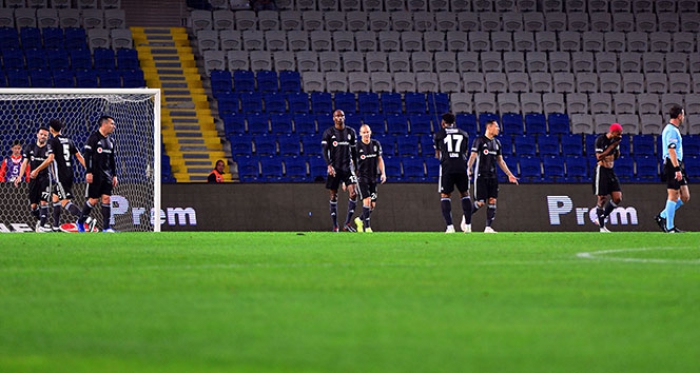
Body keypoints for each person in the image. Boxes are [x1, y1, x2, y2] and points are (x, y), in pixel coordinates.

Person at [466, 119, 519, 233]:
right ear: (489, 127)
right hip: (481, 176)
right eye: (496, 127)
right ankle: (466, 217)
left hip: (493, 176)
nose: (498, 129)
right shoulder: (479, 141)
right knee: (480, 202)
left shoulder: (497, 143)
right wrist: (468, 168)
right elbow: (473, 156)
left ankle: (488, 227)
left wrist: (509, 174)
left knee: (492, 201)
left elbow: (500, 161)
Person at [45, 119, 91, 232]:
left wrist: (37, 169)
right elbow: (79, 157)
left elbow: (50, 159)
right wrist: (89, 169)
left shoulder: (52, 142)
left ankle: (87, 219)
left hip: (61, 176)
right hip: (69, 174)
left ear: (51, 129)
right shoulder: (69, 141)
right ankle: (55, 227)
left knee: (64, 202)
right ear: (61, 128)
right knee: (55, 198)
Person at [77, 116, 118, 233]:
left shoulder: (111, 141)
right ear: (104, 124)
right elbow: (87, 156)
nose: (114, 126)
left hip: (106, 175)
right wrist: (88, 172)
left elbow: (112, 160)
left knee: (107, 198)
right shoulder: (93, 138)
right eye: (112, 124)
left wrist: (114, 175)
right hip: (94, 174)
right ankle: (80, 222)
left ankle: (106, 228)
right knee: (93, 200)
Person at [433, 113, 473, 233]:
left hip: (448, 167)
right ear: (454, 123)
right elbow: (465, 152)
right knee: (465, 193)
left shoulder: (439, 134)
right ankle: (469, 226)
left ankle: (450, 227)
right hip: (461, 166)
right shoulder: (464, 134)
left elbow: (437, 154)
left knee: (445, 195)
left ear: (443, 123)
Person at [321, 109, 358, 232]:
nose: (340, 118)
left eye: (342, 115)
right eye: (337, 116)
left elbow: (354, 151)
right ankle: (335, 225)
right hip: (335, 168)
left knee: (354, 193)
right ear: (333, 118)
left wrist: (356, 168)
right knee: (333, 195)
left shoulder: (351, 132)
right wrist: (329, 165)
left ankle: (347, 223)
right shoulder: (329, 132)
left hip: (347, 167)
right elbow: (325, 151)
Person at [655, 105, 689, 233]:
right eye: (683, 114)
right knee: (673, 195)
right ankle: (670, 227)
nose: (684, 117)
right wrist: (677, 169)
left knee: (685, 196)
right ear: (679, 115)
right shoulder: (671, 130)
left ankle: (662, 216)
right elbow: (671, 150)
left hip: (676, 164)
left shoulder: (673, 129)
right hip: (672, 164)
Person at [14, 127, 53, 232]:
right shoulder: (30, 147)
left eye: (45, 135)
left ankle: (42, 227)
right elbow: (24, 163)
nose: (43, 136)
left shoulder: (49, 148)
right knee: (33, 206)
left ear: (47, 137)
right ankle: (41, 220)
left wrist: (37, 170)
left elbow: (51, 161)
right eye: (41, 134)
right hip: (33, 179)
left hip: (45, 178)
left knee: (44, 202)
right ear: (37, 134)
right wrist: (20, 176)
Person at [353, 124, 386, 233]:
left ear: (370, 132)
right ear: (360, 134)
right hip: (362, 177)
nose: (366, 134)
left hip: (373, 177)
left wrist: (383, 173)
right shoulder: (357, 146)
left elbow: (380, 159)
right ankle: (367, 227)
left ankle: (360, 219)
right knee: (367, 200)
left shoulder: (376, 144)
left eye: (367, 132)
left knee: (372, 205)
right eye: (364, 132)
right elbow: (352, 162)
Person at [592, 123, 624, 233]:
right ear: (613, 132)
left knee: (617, 197)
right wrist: (612, 147)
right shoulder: (601, 140)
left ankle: (601, 217)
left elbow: (616, 156)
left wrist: (617, 147)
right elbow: (599, 157)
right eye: (618, 134)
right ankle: (602, 226)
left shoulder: (615, 142)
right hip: (602, 170)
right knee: (602, 198)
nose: (619, 136)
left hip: (611, 170)